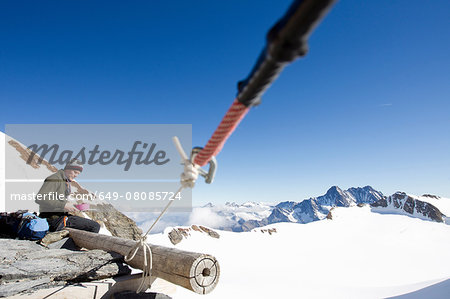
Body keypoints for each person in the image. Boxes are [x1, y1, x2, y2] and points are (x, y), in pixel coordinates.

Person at [35, 159, 100, 233]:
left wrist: (75, 206)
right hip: (52, 219)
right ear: (67, 169)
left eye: (78, 174)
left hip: (60, 216)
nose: (76, 175)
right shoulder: (55, 179)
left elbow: (59, 201)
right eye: (75, 172)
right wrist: (64, 205)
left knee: (89, 225)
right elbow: (40, 198)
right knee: (95, 226)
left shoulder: (65, 181)